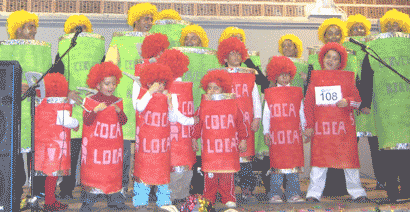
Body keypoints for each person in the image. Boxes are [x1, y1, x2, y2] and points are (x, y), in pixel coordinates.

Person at [304, 42, 369, 203]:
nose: (331, 60)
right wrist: (309, 126)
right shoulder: (315, 79)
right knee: (319, 162)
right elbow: (308, 104)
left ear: (341, 63)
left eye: (335, 58)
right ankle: (313, 193)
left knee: (349, 162)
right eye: (328, 57)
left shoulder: (348, 79)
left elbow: (359, 102)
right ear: (322, 58)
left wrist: (348, 101)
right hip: (322, 129)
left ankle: (357, 192)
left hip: (343, 129)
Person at [51, 14, 106, 200]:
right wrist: (66, 92)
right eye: (76, 29)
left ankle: (93, 189)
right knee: (72, 151)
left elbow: (106, 75)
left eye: (83, 28)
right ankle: (66, 189)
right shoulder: (63, 50)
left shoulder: (98, 50)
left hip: (93, 105)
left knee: (93, 153)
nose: (79, 31)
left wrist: (99, 93)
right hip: (73, 105)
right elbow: (56, 75)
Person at [107, 2, 158, 196]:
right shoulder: (119, 40)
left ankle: (150, 188)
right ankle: (120, 188)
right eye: (146, 18)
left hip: (150, 102)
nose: (149, 22)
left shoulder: (156, 41)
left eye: (151, 19)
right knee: (125, 151)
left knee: (150, 148)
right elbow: (109, 68)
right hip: (126, 101)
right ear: (135, 19)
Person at [359, 9, 410, 203]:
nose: (391, 28)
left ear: (402, 26)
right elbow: (366, 78)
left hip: (407, 107)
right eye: (387, 25)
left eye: (394, 24)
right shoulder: (372, 47)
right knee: (389, 153)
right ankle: (393, 193)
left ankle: (406, 190)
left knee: (407, 154)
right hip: (385, 108)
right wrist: (365, 102)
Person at [5, 9, 52, 209]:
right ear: (17, 28)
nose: (34, 30)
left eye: (35, 26)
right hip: (13, 112)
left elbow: (49, 78)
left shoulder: (41, 49)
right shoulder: (4, 49)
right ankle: (13, 197)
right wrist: (15, 85)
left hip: (37, 111)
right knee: (14, 157)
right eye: (29, 26)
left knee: (37, 156)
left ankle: (35, 196)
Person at [192, 69, 248, 208]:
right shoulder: (203, 105)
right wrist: (194, 138)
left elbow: (241, 123)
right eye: (209, 88)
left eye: (215, 88)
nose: (211, 90)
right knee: (209, 177)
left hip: (227, 150)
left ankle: (228, 197)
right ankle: (208, 199)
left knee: (226, 176)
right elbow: (197, 123)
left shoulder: (233, 104)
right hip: (210, 150)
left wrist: (243, 139)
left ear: (223, 89)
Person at [177, 24, 222, 195]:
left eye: (193, 38)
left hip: (206, 109)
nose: (189, 41)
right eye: (186, 39)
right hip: (184, 109)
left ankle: (205, 187)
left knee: (205, 147)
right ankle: (187, 187)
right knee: (188, 146)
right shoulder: (180, 56)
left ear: (201, 40)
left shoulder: (211, 57)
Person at [216, 37, 262, 204]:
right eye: (231, 54)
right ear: (225, 58)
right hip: (226, 124)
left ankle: (247, 192)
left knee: (246, 161)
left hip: (246, 123)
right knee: (226, 160)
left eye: (238, 54)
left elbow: (255, 98)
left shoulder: (250, 74)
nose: (235, 57)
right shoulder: (220, 75)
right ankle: (226, 192)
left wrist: (257, 117)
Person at [133, 63, 184, 209]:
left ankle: (164, 202)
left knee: (163, 174)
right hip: (145, 146)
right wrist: (150, 92)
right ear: (148, 82)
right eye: (156, 83)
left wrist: (170, 103)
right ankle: (140, 202)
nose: (160, 86)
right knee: (143, 173)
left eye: (163, 83)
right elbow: (139, 107)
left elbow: (173, 119)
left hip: (162, 147)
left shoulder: (169, 96)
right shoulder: (143, 94)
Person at [79, 62, 129, 211]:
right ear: (98, 84)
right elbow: (87, 121)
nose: (111, 87)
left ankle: (115, 200)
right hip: (96, 151)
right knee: (94, 175)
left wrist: (119, 111)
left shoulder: (117, 101)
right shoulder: (91, 100)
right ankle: (87, 203)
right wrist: (94, 110)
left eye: (113, 83)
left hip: (112, 151)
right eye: (107, 83)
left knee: (112, 175)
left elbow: (123, 121)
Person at [345, 14, 384, 190]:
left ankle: (382, 179)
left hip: (372, 105)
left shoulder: (372, 47)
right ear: (349, 31)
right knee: (351, 148)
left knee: (376, 146)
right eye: (355, 28)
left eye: (362, 27)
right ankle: (350, 183)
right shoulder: (344, 49)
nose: (359, 30)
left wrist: (367, 102)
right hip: (352, 106)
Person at [156, 49, 199, 207]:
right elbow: (173, 115)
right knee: (172, 169)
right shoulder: (165, 89)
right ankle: (169, 198)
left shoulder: (186, 86)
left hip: (185, 138)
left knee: (186, 169)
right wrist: (191, 121)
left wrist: (193, 133)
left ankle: (181, 197)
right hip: (171, 137)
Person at [263, 56, 306, 203]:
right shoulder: (270, 92)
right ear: (275, 76)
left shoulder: (296, 92)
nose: (284, 77)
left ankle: (293, 193)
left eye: (287, 74)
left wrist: (305, 128)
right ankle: (274, 193)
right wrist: (265, 132)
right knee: (277, 165)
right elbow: (266, 114)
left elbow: (301, 111)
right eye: (281, 75)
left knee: (293, 166)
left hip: (293, 136)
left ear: (291, 75)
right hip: (277, 137)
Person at [34, 73, 79, 211]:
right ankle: (50, 202)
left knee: (49, 175)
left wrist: (70, 102)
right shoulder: (59, 104)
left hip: (43, 144)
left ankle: (50, 200)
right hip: (56, 147)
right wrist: (76, 123)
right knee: (52, 176)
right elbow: (65, 120)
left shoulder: (42, 102)